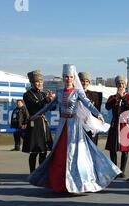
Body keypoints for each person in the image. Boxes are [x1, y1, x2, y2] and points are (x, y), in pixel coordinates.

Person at [28, 64, 120, 194]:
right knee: (59, 153)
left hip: (74, 125)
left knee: (74, 153)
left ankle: (77, 181)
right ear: (63, 77)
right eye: (66, 77)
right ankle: (59, 183)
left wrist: (98, 113)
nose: (68, 79)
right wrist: (36, 115)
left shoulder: (77, 92)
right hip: (62, 125)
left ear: (73, 78)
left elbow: (87, 103)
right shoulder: (59, 92)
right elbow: (49, 106)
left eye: (71, 77)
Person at [22, 70, 54, 173]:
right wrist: (46, 100)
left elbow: (52, 109)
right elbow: (34, 107)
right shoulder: (27, 95)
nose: (39, 83)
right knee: (35, 150)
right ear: (32, 83)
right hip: (34, 124)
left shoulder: (44, 94)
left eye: (41, 81)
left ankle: (41, 172)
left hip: (43, 123)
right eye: (37, 82)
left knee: (43, 151)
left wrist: (52, 100)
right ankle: (32, 172)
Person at [105, 76, 129, 178]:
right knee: (113, 149)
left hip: (124, 125)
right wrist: (116, 98)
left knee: (124, 149)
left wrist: (122, 97)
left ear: (125, 85)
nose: (120, 86)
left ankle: (122, 170)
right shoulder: (112, 97)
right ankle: (115, 169)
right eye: (119, 84)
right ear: (116, 85)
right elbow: (107, 107)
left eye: (122, 84)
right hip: (115, 125)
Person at [79, 71, 103, 145]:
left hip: (90, 125)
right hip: (79, 125)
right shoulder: (74, 94)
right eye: (82, 81)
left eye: (87, 81)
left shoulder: (95, 96)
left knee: (91, 147)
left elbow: (97, 110)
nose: (85, 83)